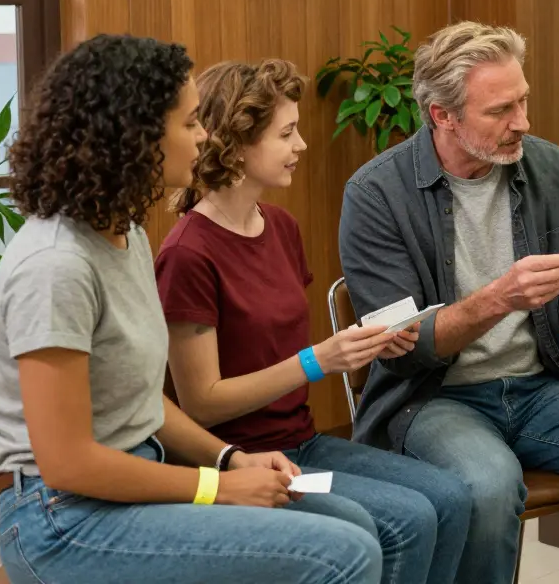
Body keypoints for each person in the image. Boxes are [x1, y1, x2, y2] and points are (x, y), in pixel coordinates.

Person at [0, 34, 382, 583]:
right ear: (137, 135)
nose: (204, 137)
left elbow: (142, 403)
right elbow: (67, 462)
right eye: (191, 122)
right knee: (341, 555)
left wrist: (229, 460)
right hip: (60, 517)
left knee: (358, 529)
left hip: (132, 481)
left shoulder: (123, 232)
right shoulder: (55, 267)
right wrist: (216, 486)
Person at [338, 21, 559, 584]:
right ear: (443, 116)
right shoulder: (377, 193)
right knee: (490, 483)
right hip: (431, 398)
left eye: (523, 101)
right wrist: (498, 299)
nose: (522, 123)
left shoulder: (546, 165)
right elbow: (402, 351)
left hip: (535, 387)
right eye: (501, 110)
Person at [155, 59, 471, 584]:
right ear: (235, 142)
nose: (301, 145)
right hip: (240, 460)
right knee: (409, 520)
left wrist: (368, 346)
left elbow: (276, 349)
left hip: (304, 442)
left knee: (453, 498)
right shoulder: (188, 253)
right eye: (287, 133)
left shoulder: (279, 226)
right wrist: (319, 360)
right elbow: (201, 401)